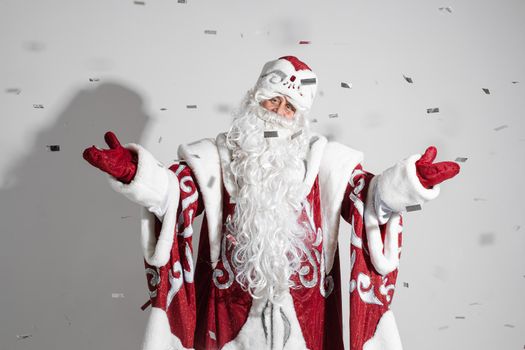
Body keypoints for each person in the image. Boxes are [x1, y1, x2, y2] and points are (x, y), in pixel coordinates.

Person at [83, 56, 459, 350]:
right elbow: (174, 192)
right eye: (271, 100)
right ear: (253, 99)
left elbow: (370, 196)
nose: (277, 113)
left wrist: (410, 182)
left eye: (289, 107)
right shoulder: (214, 158)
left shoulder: (327, 163)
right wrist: (135, 173)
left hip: (309, 323)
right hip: (226, 317)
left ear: (300, 118)